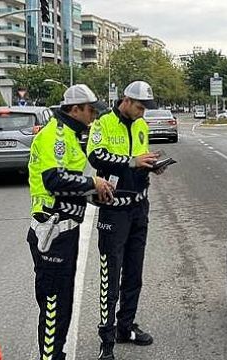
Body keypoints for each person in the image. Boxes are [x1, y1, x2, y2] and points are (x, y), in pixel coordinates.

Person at [27, 84, 114, 360]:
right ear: (74, 109)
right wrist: (92, 182)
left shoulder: (72, 135)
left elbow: (67, 185)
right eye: (90, 111)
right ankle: (51, 357)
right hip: (52, 232)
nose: (93, 116)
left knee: (63, 300)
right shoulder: (57, 135)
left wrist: (93, 194)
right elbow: (53, 180)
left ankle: (56, 354)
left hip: (65, 231)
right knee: (54, 303)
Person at [86, 80, 165, 360]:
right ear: (126, 101)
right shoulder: (104, 123)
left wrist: (150, 167)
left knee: (134, 273)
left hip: (139, 207)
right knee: (111, 275)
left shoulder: (142, 125)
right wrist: (132, 161)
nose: (143, 113)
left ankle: (125, 326)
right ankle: (106, 341)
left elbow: (140, 159)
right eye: (140, 107)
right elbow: (97, 156)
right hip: (114, 210)